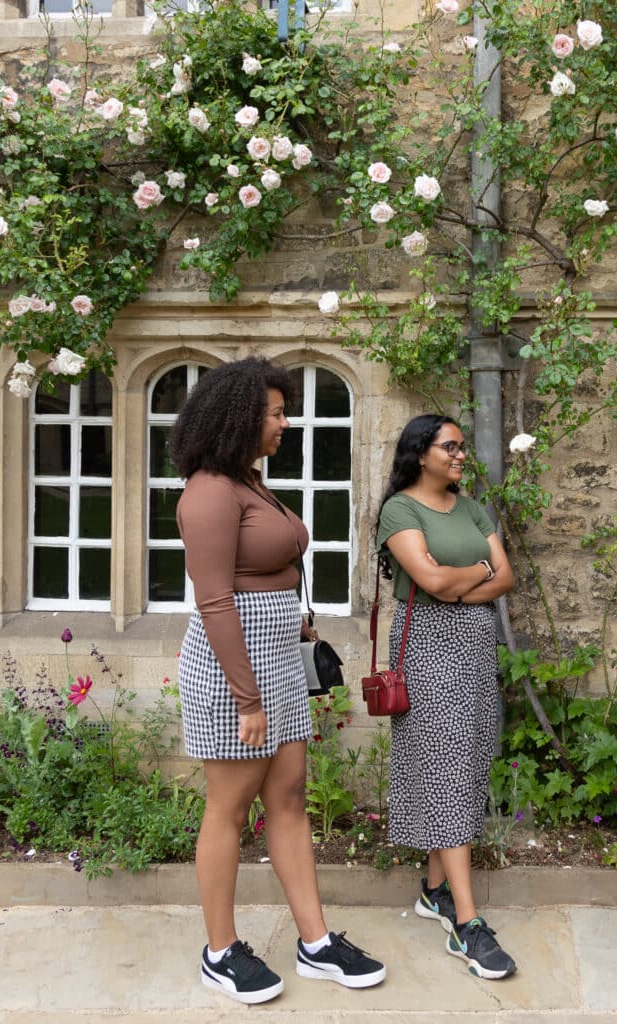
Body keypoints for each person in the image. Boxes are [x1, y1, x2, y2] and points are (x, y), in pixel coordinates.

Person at [173, 356, 385, 1005]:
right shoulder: (209, 491)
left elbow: (262, 576)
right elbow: (214, 601)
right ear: (239, 417)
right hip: (232, 676)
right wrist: (247, 698)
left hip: (277, 665)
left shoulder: (250, 484)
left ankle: (316, 943)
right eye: (275, 412)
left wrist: (292, 627)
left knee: (288, 799)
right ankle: (220, 951)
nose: (284, 422)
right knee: (229, 810)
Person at [374, 414, 518, 979]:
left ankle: (433, 890)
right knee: (446, 768)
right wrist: (476, 570)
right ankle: (467, 922)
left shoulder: (469, 504)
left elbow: (505, 578)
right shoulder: (400, 510)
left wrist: (467, 576)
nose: (460, 455)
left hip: (476, 644)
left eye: (462, 447)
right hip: (428, 648)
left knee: (464, 760)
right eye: (450, 446)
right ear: (421, 452)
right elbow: (430, 584)